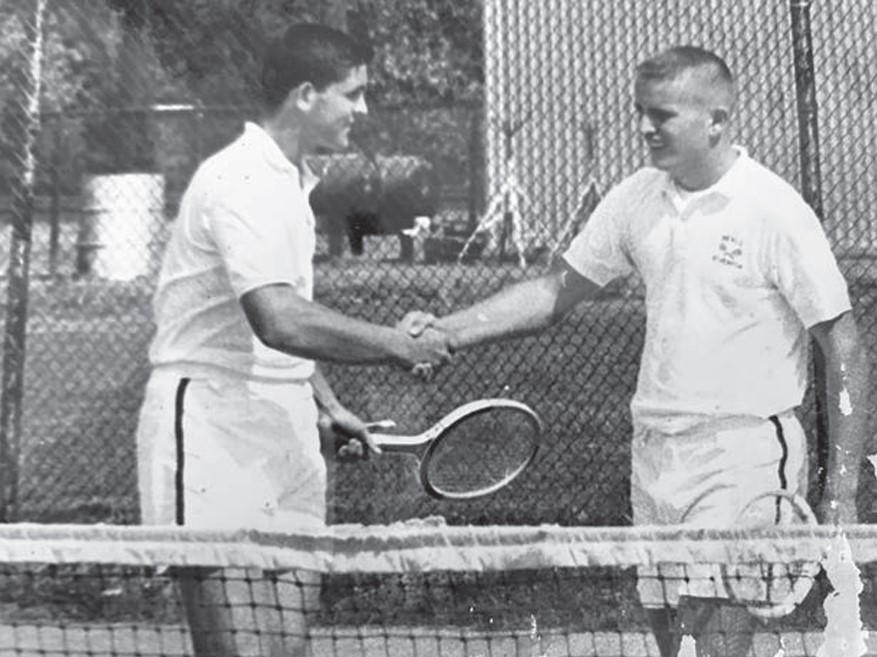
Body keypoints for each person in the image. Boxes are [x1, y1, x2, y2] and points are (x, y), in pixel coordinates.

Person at [401, 45, 870, 657]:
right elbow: (555, 291)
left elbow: (846, 346)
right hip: (654, 456)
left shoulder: (773, 210)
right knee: (674, 646)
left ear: (718, 120)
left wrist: (841, 489)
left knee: (715, 644)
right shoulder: (636, 198)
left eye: (663, 115)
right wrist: (446, 330)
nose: (646, 128)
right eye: (641, 112)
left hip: (744, 456)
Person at [135, 23, 452, 657]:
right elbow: (277, 318)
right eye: (352, 94)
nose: (362, 111)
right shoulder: (242, 181)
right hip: (211, 432)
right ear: (306, 95)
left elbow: (287, 321)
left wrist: (327, 407)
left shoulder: (289, 182)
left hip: (285, 434)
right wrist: (395, 344)